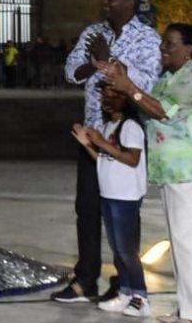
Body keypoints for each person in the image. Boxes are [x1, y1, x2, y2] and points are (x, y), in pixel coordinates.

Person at [102, 22, 192, 323]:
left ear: (188, 49)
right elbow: (148, 107)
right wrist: (125, 83)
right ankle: (189, 309)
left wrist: (129, 86)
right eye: (163, 43)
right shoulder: (170, 79)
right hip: (174, 174)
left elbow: (165, 112)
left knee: (189, 244)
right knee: (182, 243)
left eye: (169, 43)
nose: (163, 49)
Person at [52, 0, 161, 304]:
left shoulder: (147, 38)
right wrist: (95, 63)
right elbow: (72, 71)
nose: (105, 2)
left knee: (122, 213)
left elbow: (146, 82)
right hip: (92, 134)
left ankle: (124, 282)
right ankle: (85, 280)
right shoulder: (92, 32)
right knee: (87, 209)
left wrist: (109, 60)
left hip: (125, 136)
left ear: (130, 2)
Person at [72, 87, 151, 318]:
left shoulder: (131, 127)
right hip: (109, 193)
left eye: (113, 95)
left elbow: (132, 158)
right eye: (104, 95)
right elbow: (103, 160)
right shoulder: (109, 127)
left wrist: (101, 142)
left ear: (125, 100)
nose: (107, 100)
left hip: (125, 196)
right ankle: (125, 293)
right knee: (117, 250)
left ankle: (141, 296)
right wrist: (87, 143)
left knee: (128, 251)